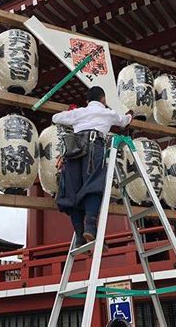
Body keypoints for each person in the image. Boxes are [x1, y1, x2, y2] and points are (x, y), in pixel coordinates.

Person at [52, 86, 133, 247]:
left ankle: (79, 235)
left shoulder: (79, 112)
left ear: (87, 101)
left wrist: (73, 112)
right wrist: (130, 114)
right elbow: (124, 122)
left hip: (74, 150)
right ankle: (90, 226)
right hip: (94, 147)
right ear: (103, 99)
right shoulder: (107, 113)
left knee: (71, 192)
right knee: (93, 184)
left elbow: (56, 118)